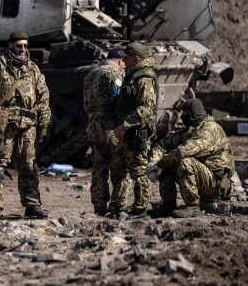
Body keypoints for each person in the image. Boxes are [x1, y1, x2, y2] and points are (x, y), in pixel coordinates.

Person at [0, 30, 51, 219]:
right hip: (4, 125)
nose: (23, 49)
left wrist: (44, 123)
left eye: (25, 46)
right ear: (10, 45)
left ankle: (32, 204)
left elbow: (43, 97)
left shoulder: (32, 68)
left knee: (28, 165)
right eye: (19, 46)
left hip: (27, 124)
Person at [146, 98, 235, 218]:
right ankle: (168, 205)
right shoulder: (195, 128)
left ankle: (192, 207)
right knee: (169, 163)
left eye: (184, 114)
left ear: (192, 115)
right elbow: (163, 144)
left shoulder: (209, 131)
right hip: (205, 178)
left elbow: (182, 152)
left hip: (216, 185)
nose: (182, 117)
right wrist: (154, 162)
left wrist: (159, 164)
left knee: (185, 162)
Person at [83, 49, 131, 217]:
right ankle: (119, 207)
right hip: (110, 125)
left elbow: (86, 102)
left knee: (99, 166)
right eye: (124, 63)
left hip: (93, 123)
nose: (124, 66)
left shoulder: (90, 74)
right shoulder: (113, 74)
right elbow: (119, 99)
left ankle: (100, 205)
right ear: (119, 62)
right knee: (121, 165)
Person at [114, 42, 158, 219]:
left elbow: (147, 109)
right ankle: (118, 205)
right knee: (119, 168)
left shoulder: (144, 78)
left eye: (127, 57)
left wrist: (125, 124)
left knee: (139, 172)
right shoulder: (133, 75)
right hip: (129, 133)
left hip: (137, 133)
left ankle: (140, 209)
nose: (123, 60)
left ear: (137, 58)